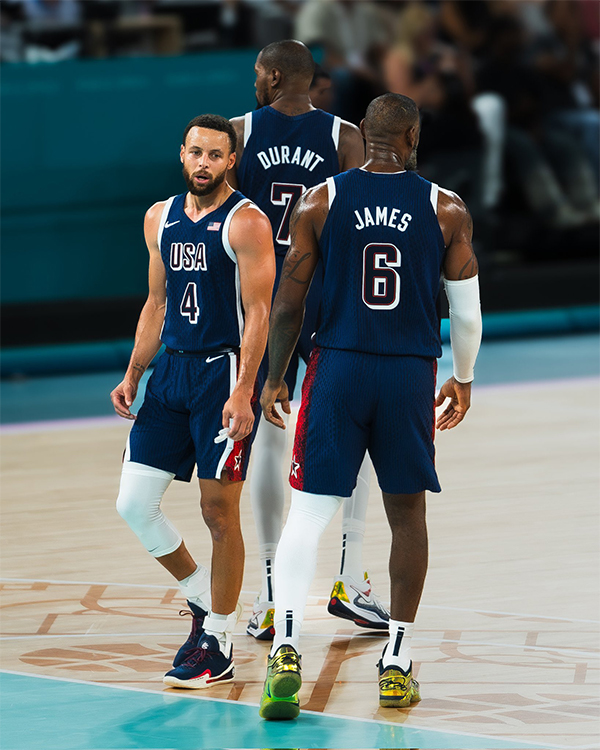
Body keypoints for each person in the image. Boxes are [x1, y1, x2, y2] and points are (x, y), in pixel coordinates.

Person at [258, 93, 482, 719]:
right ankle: (397, 662)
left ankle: (285, 650)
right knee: (407, 516)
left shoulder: (319, 199)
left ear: (363, 132)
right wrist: (463, 378)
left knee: (308, 512)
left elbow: (287, 302)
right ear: (413, 137)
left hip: (337, 368)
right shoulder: (446, 208)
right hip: (408, 372)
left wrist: (275, 378)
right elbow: (467, 315)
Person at [227, 39, 389, 641]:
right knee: (357, 432)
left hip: (263, 303)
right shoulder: (346, 136)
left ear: (272, 77)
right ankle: (349, 576)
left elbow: (223, 222)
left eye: (257, 74)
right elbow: (364, 221)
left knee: (268, 439)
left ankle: (271, 593)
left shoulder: (239, 132)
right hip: (328, 299)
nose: (254, 82)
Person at [110, 114, 275, 689]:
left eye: (215, 155)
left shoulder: (247, 221)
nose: (204, 163)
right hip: (171, 374)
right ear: (182, 154)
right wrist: (135, 372)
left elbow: (259, 313)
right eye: (196, 152)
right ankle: (205, 599)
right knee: (134, 504)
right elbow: (156, 303)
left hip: (220, 374)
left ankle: (220, 643)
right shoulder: (159, 217)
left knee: (218, 512)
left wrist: (245, 389)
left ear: (231, 161)